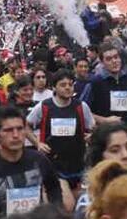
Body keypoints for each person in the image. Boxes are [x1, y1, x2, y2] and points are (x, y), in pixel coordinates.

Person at [0, 105, 64, 219]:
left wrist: (54, 214)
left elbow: (54, 188)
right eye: (8, 130)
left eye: (20, 129)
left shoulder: (39, 160)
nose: (15, 135)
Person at [26, 69, 94, 200]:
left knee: (76, 205)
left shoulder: (81, 106)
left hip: (77, 163)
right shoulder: (44, 106)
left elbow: (92, 128)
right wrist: (37, 143)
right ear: (54, 88)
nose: (68, 88)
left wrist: (91, 136)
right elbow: (26, 125)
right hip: (53, 164)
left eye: (70, 84)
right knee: (65, 204)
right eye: (63, 85)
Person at [82, 43, 127, 128]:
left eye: (116, 57)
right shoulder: (95, 83)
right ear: (102, 62)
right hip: (106, 131)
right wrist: (104, 120)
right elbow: (82, 110)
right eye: (109, 59)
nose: (114, 61)